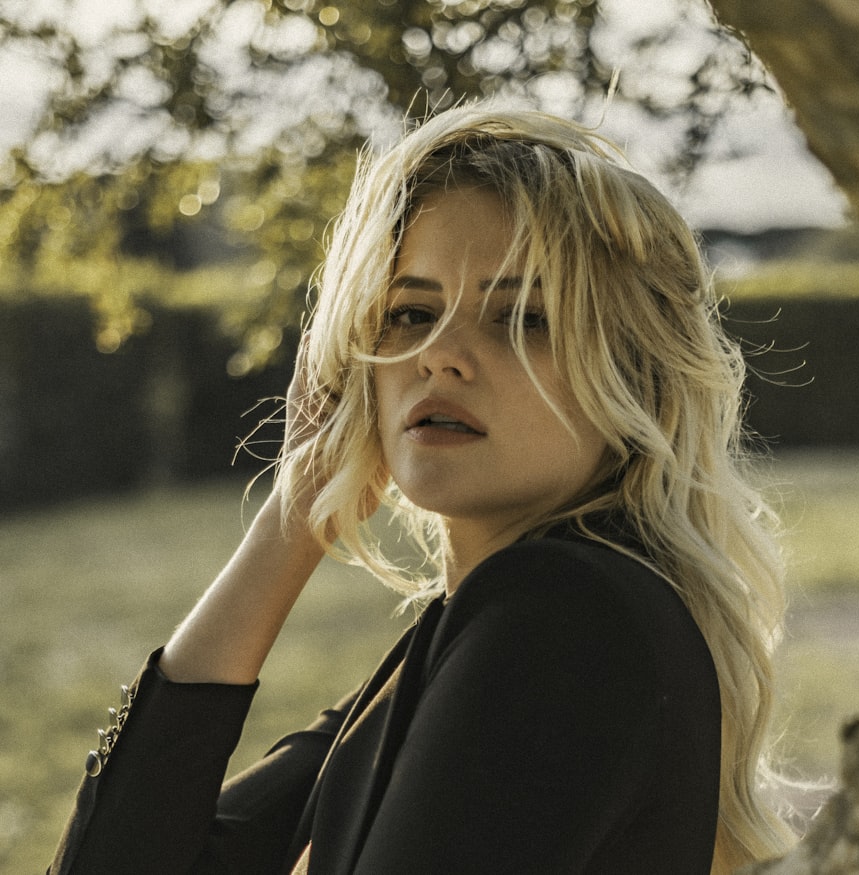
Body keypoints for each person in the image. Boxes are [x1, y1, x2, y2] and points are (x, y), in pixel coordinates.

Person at [50, 104, 795, 874]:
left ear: (636, 376)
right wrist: (297, 508)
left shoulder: (563, 616)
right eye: (411, 312)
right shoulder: (456, 639)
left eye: (521, 317)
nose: (440, 355)